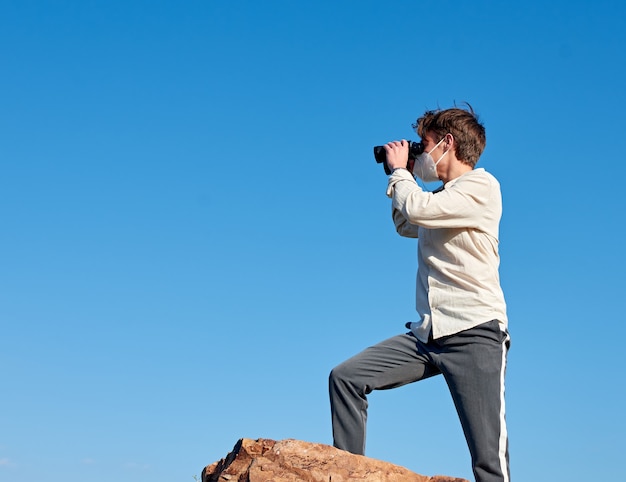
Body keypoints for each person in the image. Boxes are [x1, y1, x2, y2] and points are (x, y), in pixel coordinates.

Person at [328, 105, 510, 482]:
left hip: (474, 333)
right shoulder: (440, 199)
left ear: (447, 143)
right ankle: (347, 473)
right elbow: (407, 222)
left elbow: (418, 207)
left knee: (488, 461)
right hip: (428, 335)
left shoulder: (481, 187)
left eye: (423, 145)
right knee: (345, 377)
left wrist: (399, 172)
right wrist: (405, 174)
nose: (420, 153)